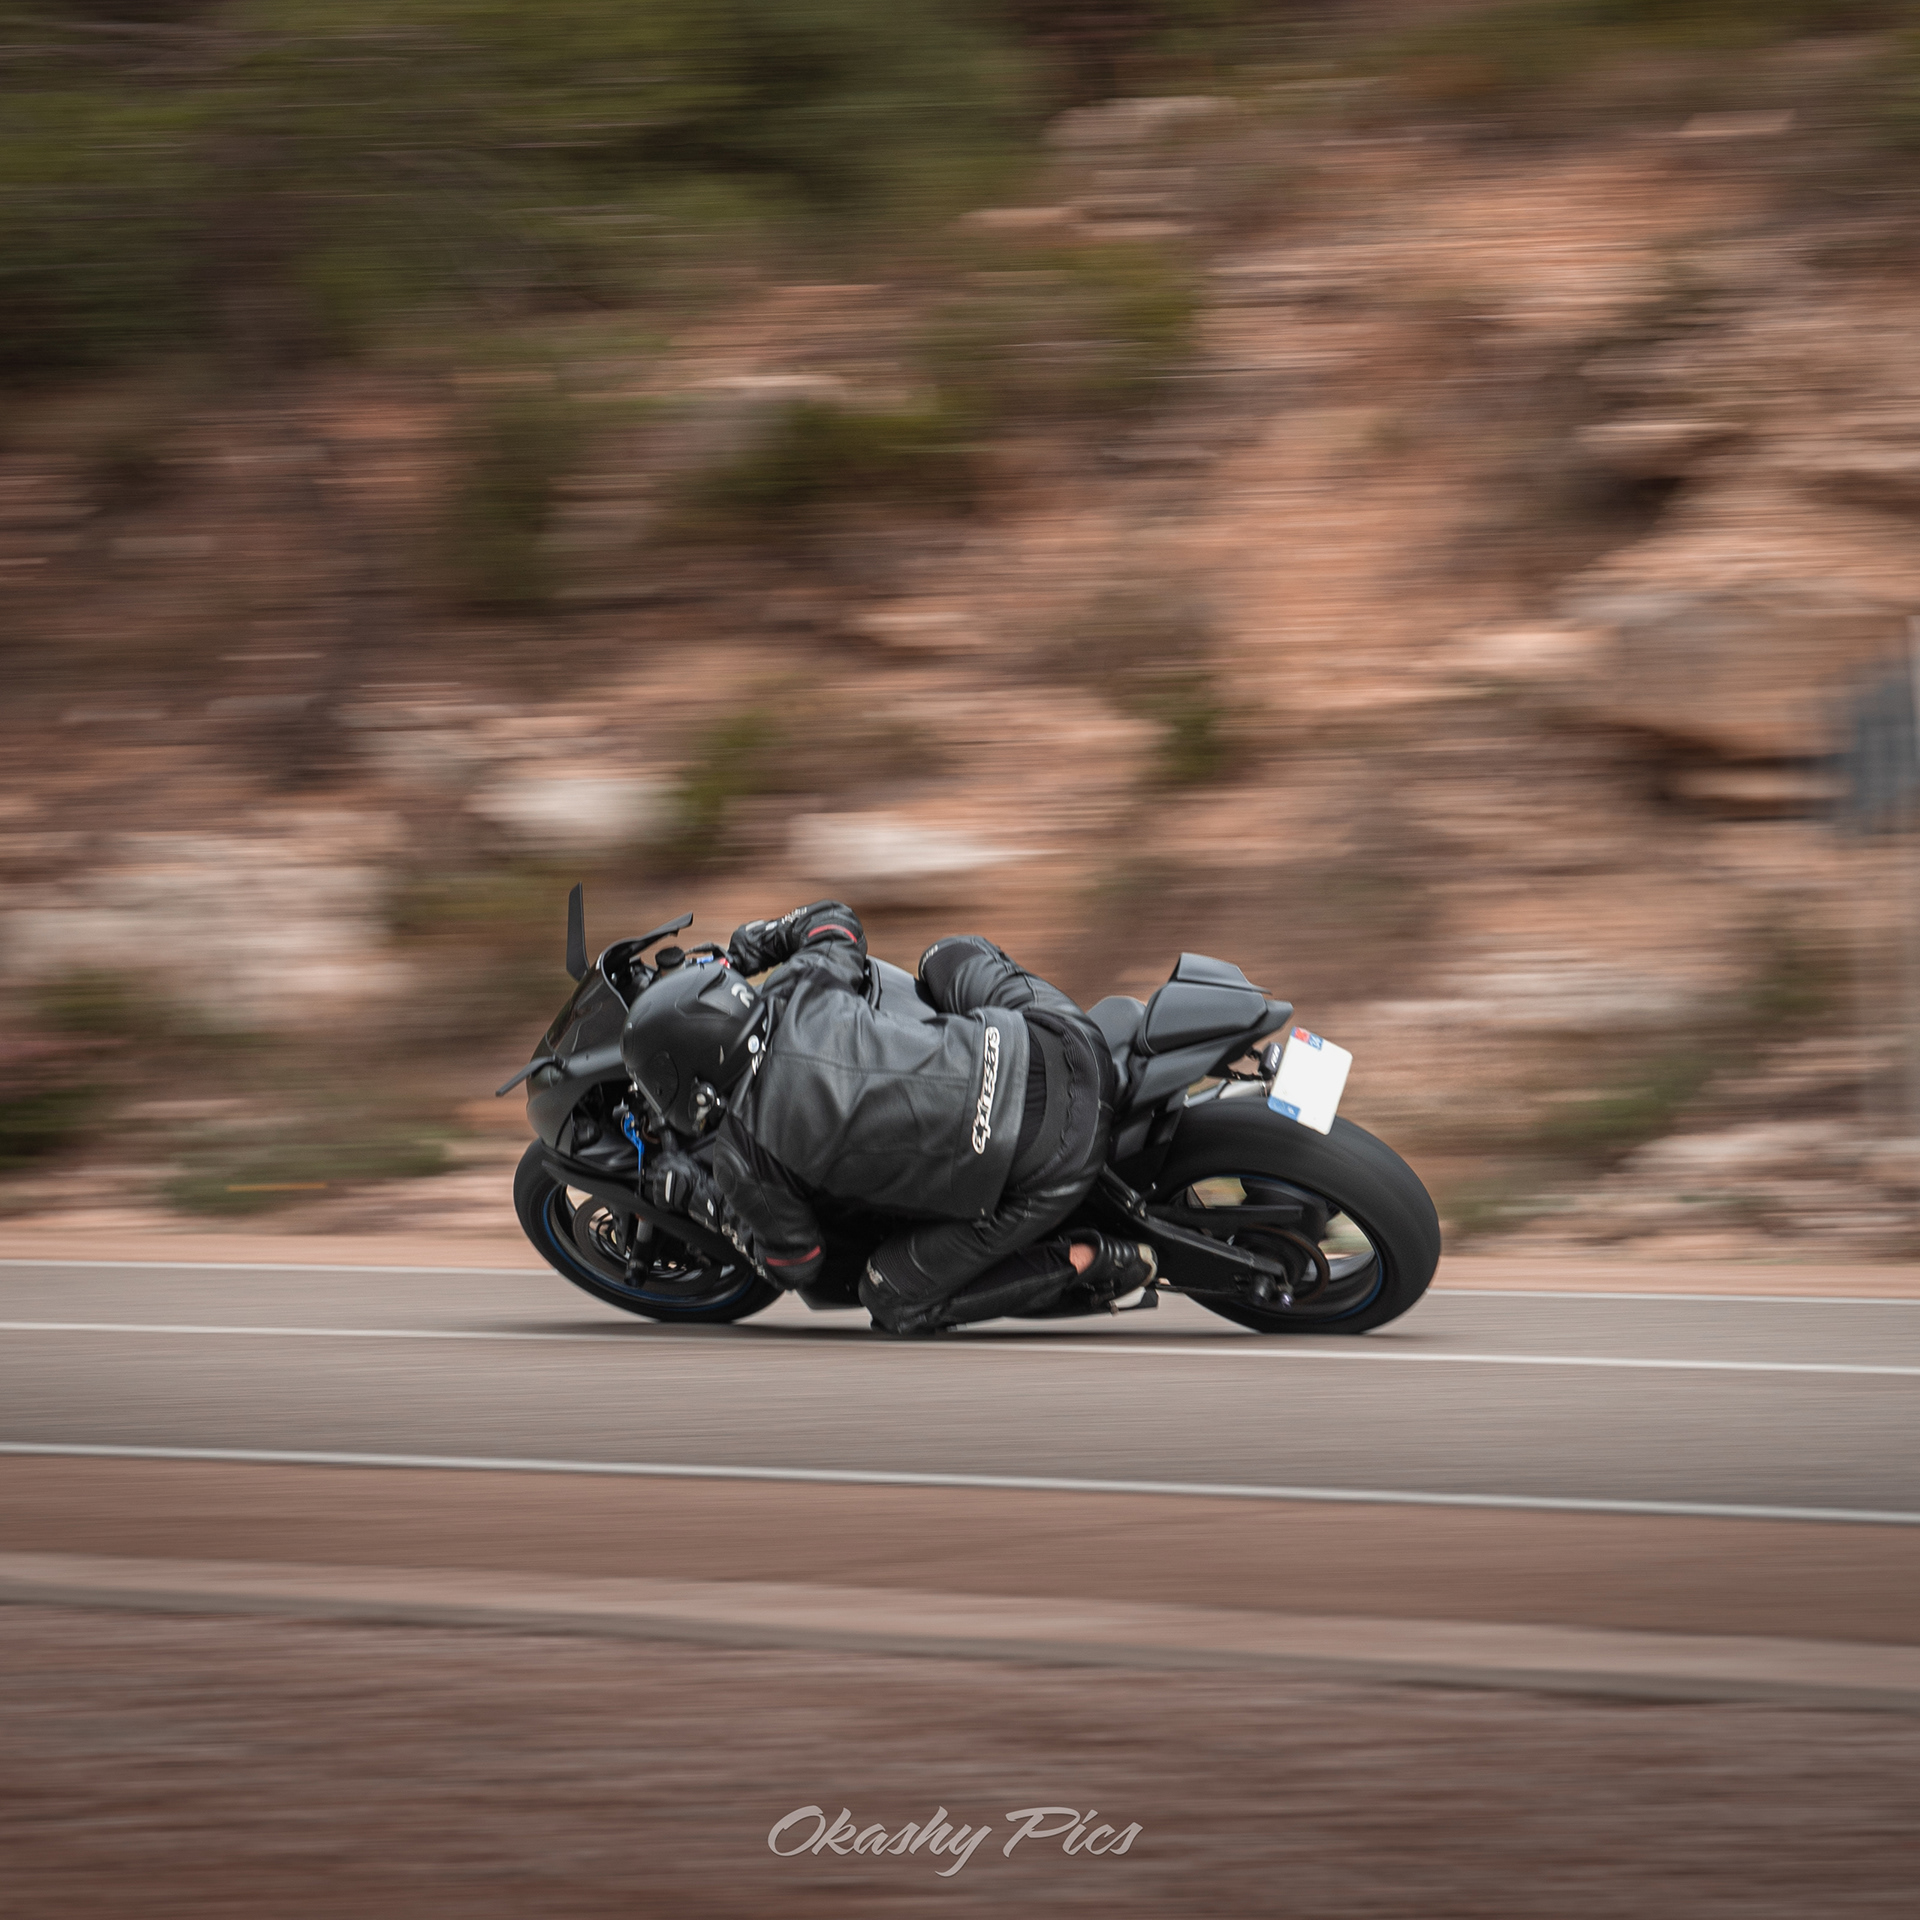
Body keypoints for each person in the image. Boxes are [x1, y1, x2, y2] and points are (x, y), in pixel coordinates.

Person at [621, 900, 1155, 1334]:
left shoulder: (745, 1154)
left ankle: (1093, 1259)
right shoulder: (802, 987)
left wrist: (697, 1197)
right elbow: (836, 922)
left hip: (1052, 1167)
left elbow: (795, 1263)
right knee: (946, 953)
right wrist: (748, 946)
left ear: (696, 1081)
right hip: (1066, 1043)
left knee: (890, 1298)